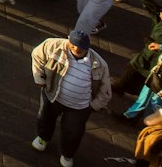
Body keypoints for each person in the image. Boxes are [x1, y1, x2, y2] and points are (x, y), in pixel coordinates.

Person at [31, 30, 113, 166]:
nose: (77, 49)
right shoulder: (53, 46)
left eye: (81, 47)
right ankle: (43, 137)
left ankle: (67, 154)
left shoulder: (99, 63)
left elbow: (105, 89)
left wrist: (94, 105)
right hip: (52, 96)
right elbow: (37, 55)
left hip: (79, 106)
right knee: (45, 117)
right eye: (73, 45)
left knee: (73, 131)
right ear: (69, 41)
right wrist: (39, 77)